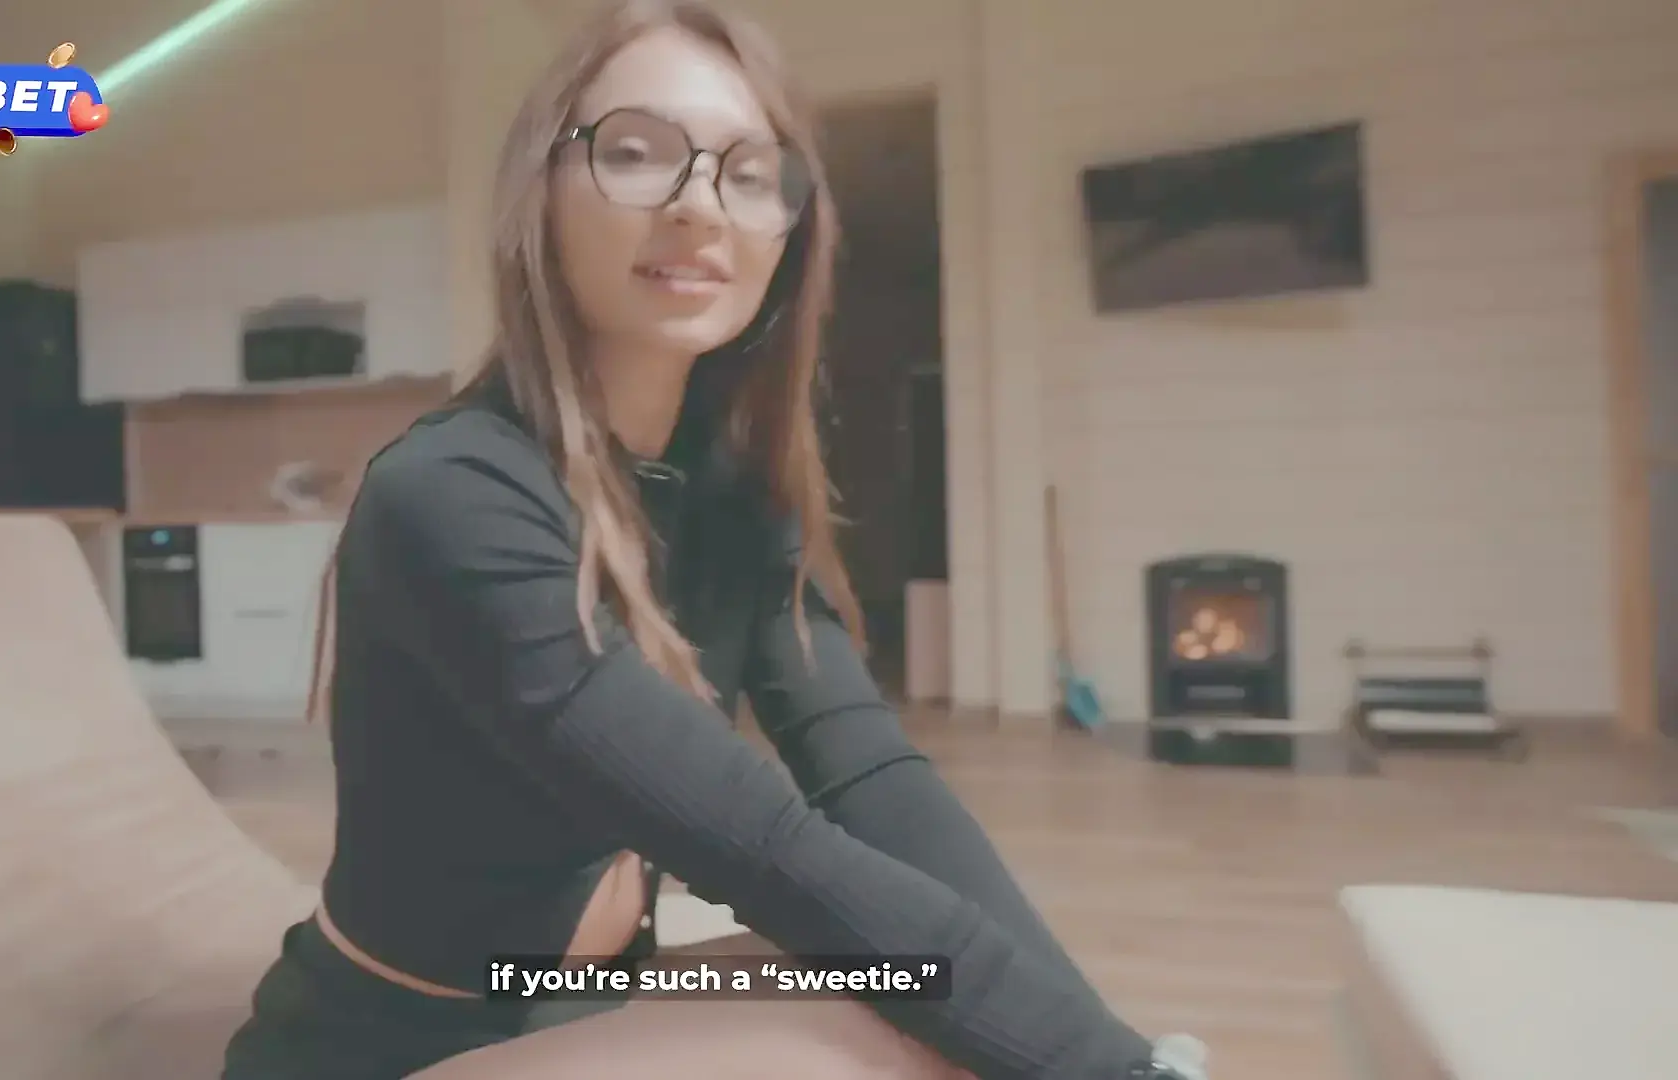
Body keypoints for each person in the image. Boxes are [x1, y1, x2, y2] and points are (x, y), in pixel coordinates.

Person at [222, 2, 1209, 1077]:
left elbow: (874, 780)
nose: (698, 203)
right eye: (636, 152)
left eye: (749, 171)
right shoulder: (454, 496)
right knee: (893, 1020)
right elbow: (764, 848)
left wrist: (1116, 1055)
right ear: (541, 195)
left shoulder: (731, 501)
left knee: (928, 998)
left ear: (788, 232)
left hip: (581, 1000)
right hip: (392, 1044)